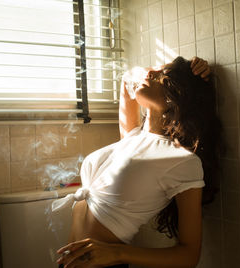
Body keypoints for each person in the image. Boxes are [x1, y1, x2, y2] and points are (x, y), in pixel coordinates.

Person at [55, 56, 222, 268]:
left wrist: (117, 254)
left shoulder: (182, 161)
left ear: (177, 96)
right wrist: (177, 68)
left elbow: (189, 256)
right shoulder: (133, 138)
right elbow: (127, 80)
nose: (151, 74)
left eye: (162, 77)